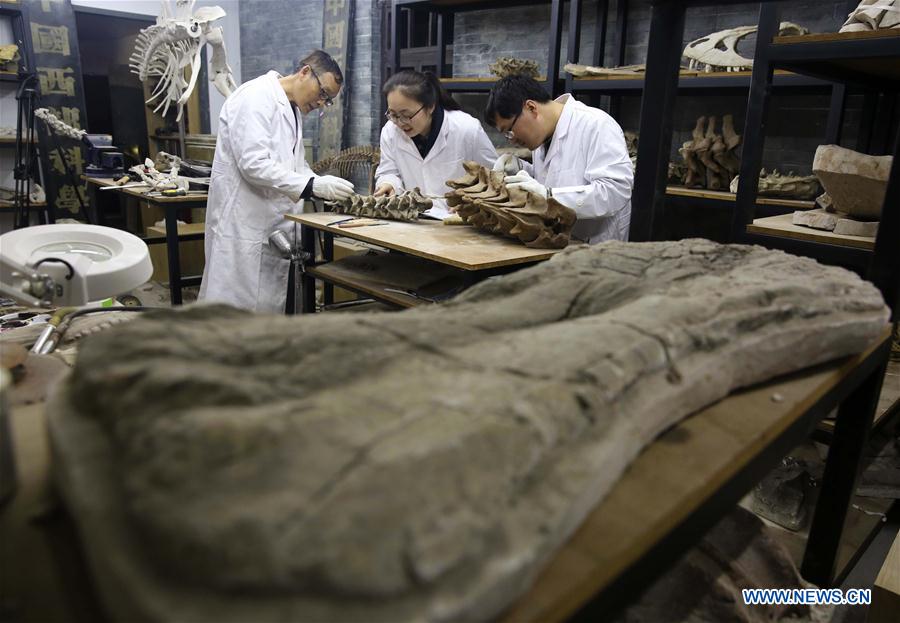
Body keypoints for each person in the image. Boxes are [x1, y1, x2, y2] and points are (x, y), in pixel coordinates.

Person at [199, 50, 355, 313]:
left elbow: (295, 166)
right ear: (305, 72)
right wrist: (310, 186)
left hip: (272, 227)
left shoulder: (292, 110)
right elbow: (253, 164)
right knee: (233, 315)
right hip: (243, 228)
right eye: (323, 93)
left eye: (327, 101)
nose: (321, 102)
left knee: (262, 315)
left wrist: (319, 182)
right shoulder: (255, 97)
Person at [485, 75, 633, 243]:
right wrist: (520, 169)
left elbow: (615, 192)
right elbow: (557, 178)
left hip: (596, 249)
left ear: (531, 108)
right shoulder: (542, 136)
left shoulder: (596, 125)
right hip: (557, 244)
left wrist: (549, 196)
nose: (511, 139)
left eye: (509, 131)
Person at [374, 70, 497, 217]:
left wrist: (474, 200)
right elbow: (389, 171)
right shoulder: (390, 131)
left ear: (430, 106)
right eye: (393, 114)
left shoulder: (466, 129)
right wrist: (390, 184)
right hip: (414, 219)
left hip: (459, 221)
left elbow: (493, 178)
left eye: (406, 115)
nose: (399, 122)